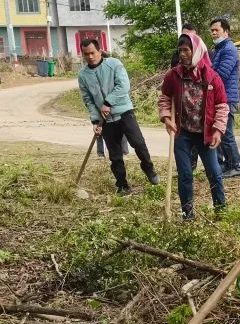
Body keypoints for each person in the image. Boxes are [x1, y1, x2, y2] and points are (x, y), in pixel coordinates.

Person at [159, 31, 229, 220]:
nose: (182, 54)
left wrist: (217, 130)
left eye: (187, 50)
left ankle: (221, 210)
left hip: (204, 134)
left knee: (214, 173)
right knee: (185, 175)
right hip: (183, 133)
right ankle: (187, 214)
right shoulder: (173, 76)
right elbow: (165, 99)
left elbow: (222, 106)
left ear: (196, 51)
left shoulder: (212, 77)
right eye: (180, 50)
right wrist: (167, 118)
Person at [78, 38, 159, 195]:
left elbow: (123, 85)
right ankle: (122, 184)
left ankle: (149, 169)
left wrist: (108, 101)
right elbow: (88, 99)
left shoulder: (114, 64)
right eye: (86, 54)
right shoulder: (83, 75)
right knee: (115, 155)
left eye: (93, 53)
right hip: (105, 119)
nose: (90, 57)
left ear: (100, 51)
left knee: (139, 143)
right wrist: (95, 120)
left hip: (124, 112)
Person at [209, 17, 240, 178]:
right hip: (222, 97)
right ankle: (223, 165)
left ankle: (234, 166)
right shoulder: (219, 49)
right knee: (220, 132)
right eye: (212, 30)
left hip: (227, 98)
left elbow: (221, 74)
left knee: (227, 134)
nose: (214, 33)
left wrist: (206, 80)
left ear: (226, 32)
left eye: (217, 30)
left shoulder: (228, 49)